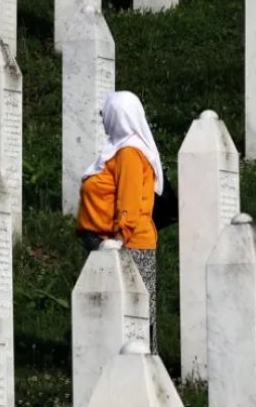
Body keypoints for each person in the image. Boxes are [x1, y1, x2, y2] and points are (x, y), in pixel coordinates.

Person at [76, 91, 164, 352]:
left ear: (119, 116)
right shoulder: (117, 150)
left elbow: (129, 203)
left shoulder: (129, 153)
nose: (103, 119)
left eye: (106, 113)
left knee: (135, 315)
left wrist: (117, 243)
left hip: (129, 245)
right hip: (115, 244)